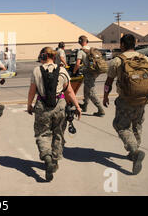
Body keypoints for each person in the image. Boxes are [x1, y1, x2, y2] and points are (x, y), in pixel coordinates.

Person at [103, 34, 148, 175]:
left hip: (125, 101)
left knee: (121, 125)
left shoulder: (117, 61)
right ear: (135, 43)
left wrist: (105, 96)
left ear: (122, 45)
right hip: (143, 100)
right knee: (137, 124)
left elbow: (108, 82)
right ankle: (135, 150)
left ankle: (135, 152)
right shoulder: (145, 59)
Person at [27, 47, 82, 182]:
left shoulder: (36, 70)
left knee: (42, 133)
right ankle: (55, 161)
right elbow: (69, 91)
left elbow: (32, 91)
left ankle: (47, 158)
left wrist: (29, 105)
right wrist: (77, 106)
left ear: (43, 56)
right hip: (60, 105)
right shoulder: (62, 70)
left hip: (42, 106)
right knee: (58, 133)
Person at [72, 35, 106, 117]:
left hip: (89, 73)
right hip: (94, 72)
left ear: (80, 42)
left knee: (91, 91)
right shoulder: (90, 49)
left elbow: (77, 64)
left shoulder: (81, 51)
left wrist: (73, 72)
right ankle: (85, 105)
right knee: (86, 89)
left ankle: (101, 110)